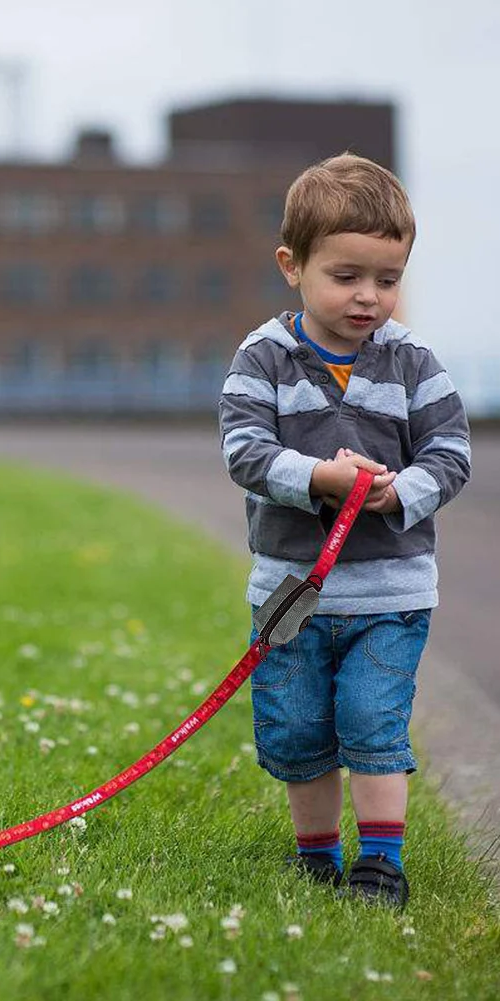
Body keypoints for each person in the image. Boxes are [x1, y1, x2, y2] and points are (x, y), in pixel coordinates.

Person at [218, 152, 471, 909]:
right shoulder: (261, 358)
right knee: (296, 731)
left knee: (371, 720)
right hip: (291, 593)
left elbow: (450, 453)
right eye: (346, 276)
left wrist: (399, 494)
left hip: (389, 594)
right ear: (292, 265)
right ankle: (315, 857)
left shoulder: (411, 362)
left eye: (386, 280)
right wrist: (318, 478)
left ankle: (380, 864)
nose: (368, 297)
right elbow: (244, 452)